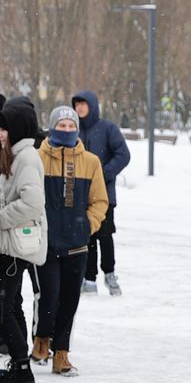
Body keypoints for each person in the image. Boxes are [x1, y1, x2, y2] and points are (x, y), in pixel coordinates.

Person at [32, 103, 107, 377]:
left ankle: (61, 352)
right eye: (61, 125)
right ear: (52, 127)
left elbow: (100, 201)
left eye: (71, 125)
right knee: (49, 295)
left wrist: (88, 225)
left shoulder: (90, 162)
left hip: (76, 242)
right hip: (46, 242)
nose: (66, 130)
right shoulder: (37, 158)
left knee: (70, 299)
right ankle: (42, 337)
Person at [0, 107, 47, 383]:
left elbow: (32, 204)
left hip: (14, 247)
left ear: (17, 129)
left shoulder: (27, 159)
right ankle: (20, 364)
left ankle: (22, 368)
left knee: (2, 308)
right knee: (7, 307)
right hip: (6, 246)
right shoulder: (16, 156)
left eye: (3, 129)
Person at [72, 90, 131, 296]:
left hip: (104, 194)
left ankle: (109, 272)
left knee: (105, 235)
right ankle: (88, 278)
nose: (79, 108)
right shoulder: (74, 129)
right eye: (77, 104)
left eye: (83, 104)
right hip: (80, 194)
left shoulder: (107, 128)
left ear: (92, 105)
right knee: (86, 235)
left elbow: (123, 154)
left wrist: (104, 173)